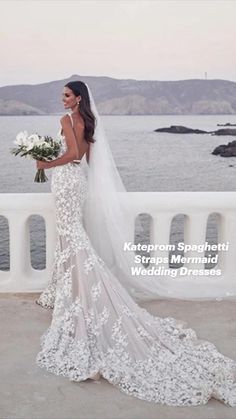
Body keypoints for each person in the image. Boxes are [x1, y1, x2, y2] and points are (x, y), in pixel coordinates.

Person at [35, 80, 236, 407]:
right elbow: (81, 155)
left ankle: (79, 292)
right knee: (72, 236)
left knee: (71, 237)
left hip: (67, 181)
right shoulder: (87, 121)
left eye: (67, 95)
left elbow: (71, 155)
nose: (63, 99)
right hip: (77, 183)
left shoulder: (68, 121)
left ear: (79, 98)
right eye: (62, 95)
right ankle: (65, 289)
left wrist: (45, 163)